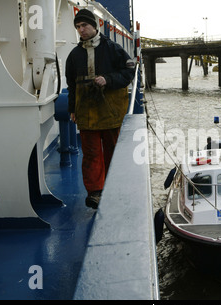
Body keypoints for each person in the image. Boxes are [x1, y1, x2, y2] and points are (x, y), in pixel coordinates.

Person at [65, 9, 135, 209]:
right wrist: (72, 109)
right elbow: (72, 85)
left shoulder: (113, 49)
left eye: (84, 25)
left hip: (110, 111)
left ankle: (114, 186)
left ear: (95, 25)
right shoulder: (74, 55)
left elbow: (129, 70)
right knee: (91, 154)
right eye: (78, 27)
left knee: (112, 151)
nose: (81, 30)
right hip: (86, 113)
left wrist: (108, 79)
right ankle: (95, 192)